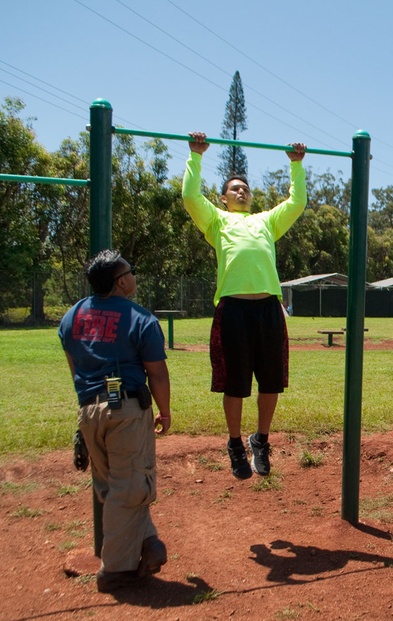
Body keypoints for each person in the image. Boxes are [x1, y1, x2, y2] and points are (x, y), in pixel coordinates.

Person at [182, 131, 307, 480]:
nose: (241, 191)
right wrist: (196, 155)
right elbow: (190, 196)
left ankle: (261, 440)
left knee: (271, 381)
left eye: (245, 189)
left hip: (268, 308)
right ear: (223, 199)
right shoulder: (217, 221)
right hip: (233, 310)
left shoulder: (266, 221)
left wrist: (296, 165)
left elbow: (296, 204)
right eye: (234, 189)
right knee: (235, 383)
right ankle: (235, 443)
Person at [58, 250, 171, 593]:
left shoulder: (71, 316)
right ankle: (115, 571)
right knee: (132, 485)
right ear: (121, 281)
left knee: (111, 484)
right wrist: (164, 411)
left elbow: (74, 367)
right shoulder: (141, 319)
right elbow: (157, 373)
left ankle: (147, 542)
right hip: (126, 409)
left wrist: (88, 411)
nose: (134, 276)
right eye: (131, 271)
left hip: (90, 409)